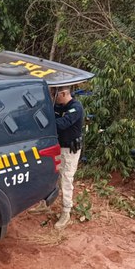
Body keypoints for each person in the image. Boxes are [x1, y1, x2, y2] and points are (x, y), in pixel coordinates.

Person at [53, 86, 84, 229]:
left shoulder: (76, 108)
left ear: (64, 93)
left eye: (55, 94)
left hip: (69, 150)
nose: (54, 96)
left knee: (66, 178)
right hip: (57, 147)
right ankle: (45, 204)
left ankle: (66, 213)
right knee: (51, 175)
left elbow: (62, 124)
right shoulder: (58, 106)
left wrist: (43, 122)